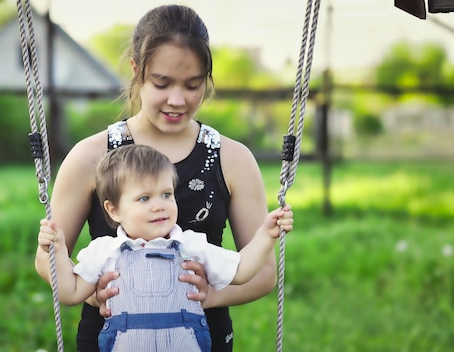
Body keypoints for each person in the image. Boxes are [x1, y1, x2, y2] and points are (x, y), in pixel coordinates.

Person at [35, 4, 285, 351]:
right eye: (162, 83)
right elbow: (48, 258)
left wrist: (209, 296)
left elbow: (262, 274)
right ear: (137, 70)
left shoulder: (232, 159)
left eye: (193, 85)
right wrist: (94, 292)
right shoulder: (91, 156)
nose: (178, 100)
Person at [38, 144, 293, 352]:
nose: (159, 205)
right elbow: (70, 292)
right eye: (144, 198)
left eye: (166, 194)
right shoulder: (105, 251)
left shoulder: (190, 245)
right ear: (113, 210)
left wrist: (265, 236)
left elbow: (241, 270)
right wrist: (56, 251)